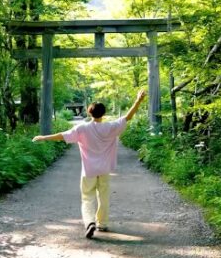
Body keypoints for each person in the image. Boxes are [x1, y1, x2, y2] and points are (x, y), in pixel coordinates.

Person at [33, 89, 147, 239]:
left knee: (87, 197)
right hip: (105, 170)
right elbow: (128, 117)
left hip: (88, 171)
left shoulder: (83, 128)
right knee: (104, 197)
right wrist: (138, 100)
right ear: (103, 113)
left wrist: (43, 137)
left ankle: (90, 222)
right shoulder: (111, 127)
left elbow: (63, 136)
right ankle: (103, 223)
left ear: (89, 113)